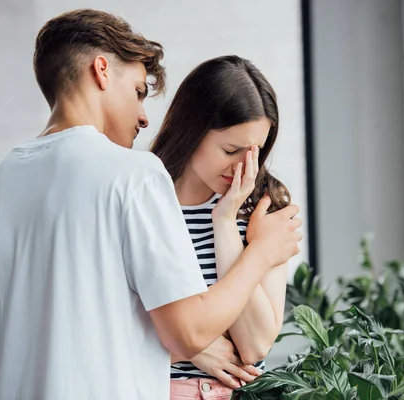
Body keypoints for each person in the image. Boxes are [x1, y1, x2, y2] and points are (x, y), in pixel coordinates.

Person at [0, 9, 302, 400]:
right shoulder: (134, 176)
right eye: (139, 91)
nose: (144, 117)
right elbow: (188, 331)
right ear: (102, 71)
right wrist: (259, 253)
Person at [151, 55, 292, 399]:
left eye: (256, 150)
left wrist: (225, 221)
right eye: (231, 149)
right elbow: (103, 327)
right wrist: (191, 347)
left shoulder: (265, 205)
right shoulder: (140, 198)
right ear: (192, 128)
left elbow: (255, 345)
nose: (244, 165)